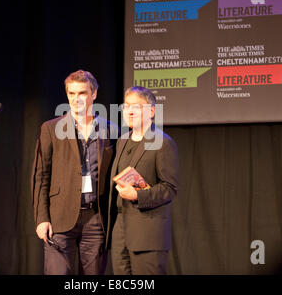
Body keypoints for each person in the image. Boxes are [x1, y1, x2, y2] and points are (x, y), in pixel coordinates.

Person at [31, 70, 117, 275]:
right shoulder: (51, 128)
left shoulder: (110, 129)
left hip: (96, 218)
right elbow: (40, 176)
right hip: (60, 218)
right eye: (72, 94)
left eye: (82, 93)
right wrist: (42, 218)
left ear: (93, 94)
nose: (76, 99)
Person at [107, 86, 179, 275]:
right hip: (120, 229)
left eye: (136, 107)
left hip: (148, 232)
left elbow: (170, 188)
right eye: (126, 106)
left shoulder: (163, 142)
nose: (129, 111)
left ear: (152, 111)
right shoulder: (122, 140)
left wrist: (138, 195)